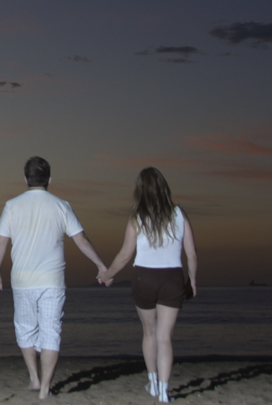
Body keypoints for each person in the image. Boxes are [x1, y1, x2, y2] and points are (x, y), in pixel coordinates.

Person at [0, 156, 108, 399]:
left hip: (22, 280)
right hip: (53, 281)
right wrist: (100, 265)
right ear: (49, 180)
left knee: (25, 329)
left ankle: (34, 378)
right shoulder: (61, 205)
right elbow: (81, 240)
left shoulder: (12, 205)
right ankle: (44, 388)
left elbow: (1, 242)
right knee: (51, 332)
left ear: (25, 179)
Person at [97, 167, 198, 403]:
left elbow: (125, 254)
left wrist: (106, 275)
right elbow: (192, 253)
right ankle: (164, 392)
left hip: (144, 278)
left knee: (149, 332)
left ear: (140, 190)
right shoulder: (179, 214)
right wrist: (192, 280)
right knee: (165, 337)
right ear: (164, 187)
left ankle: (152, 382)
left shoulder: (137, 216)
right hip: (172, 279)